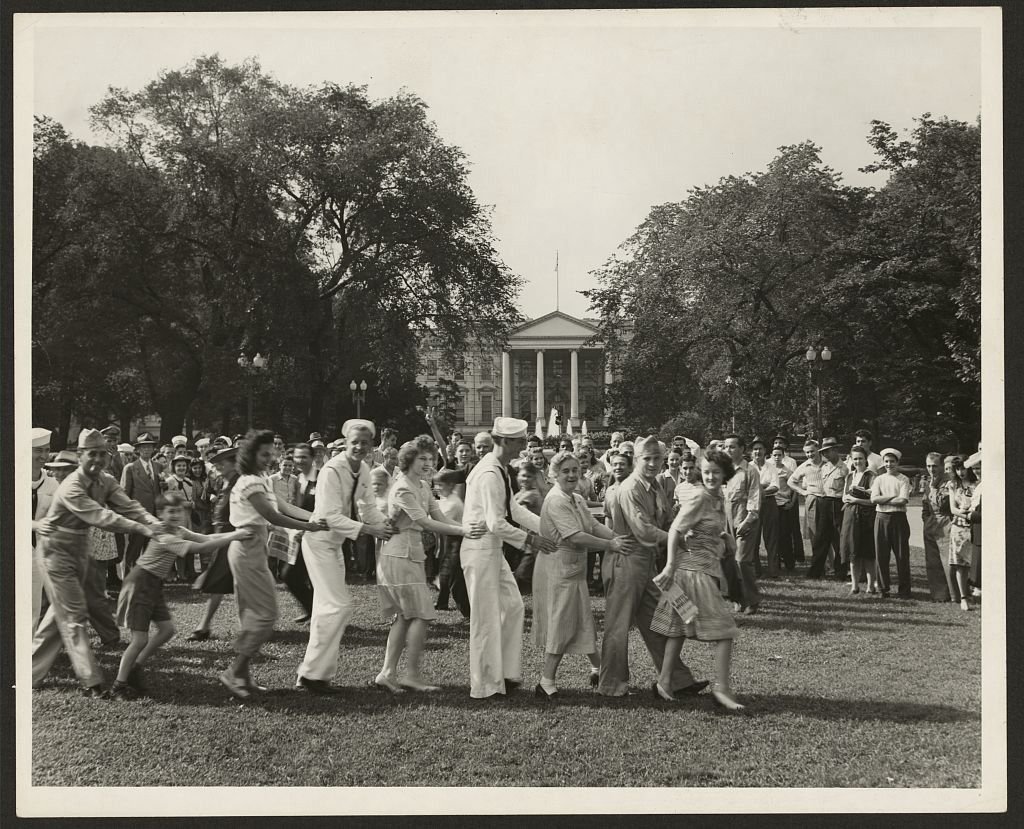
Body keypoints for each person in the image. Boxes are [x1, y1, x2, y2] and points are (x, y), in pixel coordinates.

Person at [32, 429, 163, 696]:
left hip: (80, 549)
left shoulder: (106, 480)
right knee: (75, 615)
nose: (98, 460)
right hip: (55, 551)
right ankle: (91, 681)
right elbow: (103, 517)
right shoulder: (72, 486)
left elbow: (129, 505)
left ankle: (27, 673)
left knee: (60, 615)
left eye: (103, 454)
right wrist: (145, 530)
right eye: (92, 454)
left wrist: (154, 522)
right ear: (80, 456)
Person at [218, 430, 327, 699]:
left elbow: (284, 508)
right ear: (250, 454)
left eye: (272, 454)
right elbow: (272, 516)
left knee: (257, 615)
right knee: (265, 616)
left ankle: (242, 677)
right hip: (246, 548)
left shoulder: (261, 480)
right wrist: (309, 526)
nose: (269, 458)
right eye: (264, 454)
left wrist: (319, 517)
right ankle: (235, 672)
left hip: (254, 548)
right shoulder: (249, 482)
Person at [111, 492, 251, 700]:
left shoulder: (178, 530)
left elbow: (206, 538)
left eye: (179, 510)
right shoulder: (163, 535)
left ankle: (136, 667)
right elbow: (201, 547)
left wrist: (234, 533)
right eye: (170, 511)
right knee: (139, 639)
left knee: (167, 630)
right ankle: (119, 685)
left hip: (154, 584)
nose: (176, 515)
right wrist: (234, 537)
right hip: (140, 583)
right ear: (160, 514)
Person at [598, 435, 707, 698]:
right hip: (625, 563)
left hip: (645, 564)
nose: (653, 463)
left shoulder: (654, 486)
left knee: (662, 620)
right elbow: (644, 531)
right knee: (618, 625)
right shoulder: (630, 488)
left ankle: (677, 680)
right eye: (647, 459)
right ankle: (611, 685)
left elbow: (668, 518)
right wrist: (677, 539)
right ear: (637, 460)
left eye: (657, 458)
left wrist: (690, 528)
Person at [374, 438, 484, 693]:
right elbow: (425, 522)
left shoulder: (423, 486)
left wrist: (464, 527)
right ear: (408, 460)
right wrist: (465, 531)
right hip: (398, 556)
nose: (428, 463)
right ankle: (410, 675)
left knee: (405, 617)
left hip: (411, 556)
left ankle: (387, 673)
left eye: (430, 458)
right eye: (422, 458)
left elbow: (440, 517)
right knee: (421, 615)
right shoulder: (402, 487)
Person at [460, 417, 556, 699]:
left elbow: (514, 510)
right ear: (505, 442)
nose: (525, 446)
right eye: (520, 441)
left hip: (492, 550)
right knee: (485, 618)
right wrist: (532, 540)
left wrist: (548, 528)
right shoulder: (490, 472)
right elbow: (496, 523)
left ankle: (506, 673)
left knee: (513, 607)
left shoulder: (500, 469)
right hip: (479, 550)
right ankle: (485, 685)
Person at [295, 420, 392, 694]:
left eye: (365, 442)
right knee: (338, 606)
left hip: (334, 544)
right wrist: (370, 530)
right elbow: (329, 516)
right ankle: (312, 675)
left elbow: (368, 507)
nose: (360, 447)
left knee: (326, 608)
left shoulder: (363, 469)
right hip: (318, 542)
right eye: (355, 442)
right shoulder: (331, 470)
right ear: (345, 443)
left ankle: (316, 676)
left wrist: (388, 526)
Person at [653, 449, 744, 710]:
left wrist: (725, 538)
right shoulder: (700, 497)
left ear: (725, 473)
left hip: (705, 569)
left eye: (715, 472)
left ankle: (664, 683)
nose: (711, 477)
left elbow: (711, 528)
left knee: (677, 631)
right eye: (706, 472)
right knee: (725, 631)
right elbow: (675, 530)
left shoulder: (718, 498)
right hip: (691, 574)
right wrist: (670, 566)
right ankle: (722, 690)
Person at [533, 452, 623, 698]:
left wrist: (616, 537)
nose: (572, 475)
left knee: (582, 621)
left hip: (574, 570)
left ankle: (599, 667)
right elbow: (576, 536)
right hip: (557, 570)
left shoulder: (576, 498)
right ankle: (546, 682)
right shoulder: (556, 501)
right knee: (562, 624)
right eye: (566, 471)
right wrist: (611, 546)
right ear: (554, 475)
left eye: (575, 470)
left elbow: (593, 526)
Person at [186, 446, 238, 641]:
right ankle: (204, 626)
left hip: (233, 538)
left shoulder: (239, 483)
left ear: (234, 464)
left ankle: (204, 626)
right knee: (224, 581)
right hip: (222, 536)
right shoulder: (223, 482)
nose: (218, 467)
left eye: (222, 463)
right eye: (216, 464)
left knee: (220, 581)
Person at [788, 439, 844, 580]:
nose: (809, 454)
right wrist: (803, 492)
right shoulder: (805, 465)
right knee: (817, 536)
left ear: (818, 450)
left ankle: (835, 568)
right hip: (813, 500)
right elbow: (791, 481)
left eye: (812, 451)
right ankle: (820, 569)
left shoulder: (828, 463)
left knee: (835, 537)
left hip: (831, 501)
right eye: (807, 452)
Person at [721, 435, 762, 613]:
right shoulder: (724, 470)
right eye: (726, 447)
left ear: (742, 449)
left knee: (742, 561)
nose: (728, 450)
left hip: (744, 519)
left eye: (732, 447)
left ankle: (752, 600)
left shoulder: (750, 471)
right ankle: (737, 598)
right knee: (728, 561)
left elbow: (755, 498)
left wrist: (748, 520)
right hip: (725, 520)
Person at [870, 448, 913, 599]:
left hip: (899, 519)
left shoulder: (903, 479)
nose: (889, 464)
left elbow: (902, 501)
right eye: (886, 461)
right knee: (881, 555)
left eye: (892, 461)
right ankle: (883, 588)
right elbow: (874, 499)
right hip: (881, 518)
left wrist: (884, 498)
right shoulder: (879, 479)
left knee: (902, 556)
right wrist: (893, 497)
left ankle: (904, 590)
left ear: (897, 462)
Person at [120, 432, 164, 573]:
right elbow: (124, 494)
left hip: (154, 516)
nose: (146, 450)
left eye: (149, 447)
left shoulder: (158, 466)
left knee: (151, 549)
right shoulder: (131, 468)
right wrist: (128, 516)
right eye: (143, 447)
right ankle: (128, 578)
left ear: (153, 449)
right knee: (134, 548)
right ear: (138, 450)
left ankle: (147, 579)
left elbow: (159, 490)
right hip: (138, 516)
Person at [31, 428, 60, 631]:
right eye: (37, 450)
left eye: (46, 450)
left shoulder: (51, 483)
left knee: (33, 604)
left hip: (38, 550)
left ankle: (25, 653)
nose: (43, 456)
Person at [839, 445, 878, 595]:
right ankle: (854, 586)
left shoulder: (871, 476)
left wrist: (855, 499)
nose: (858, 461)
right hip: (850, 516)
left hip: (867, 517)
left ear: (865, 459)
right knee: (853, 550)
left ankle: (870, 586)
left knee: (868, 552)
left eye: (860, 458)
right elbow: (844, 497)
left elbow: (874, 501)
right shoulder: (850, 476)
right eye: (855, 459)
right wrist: (850, 499)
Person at [433, 468, 470, 617]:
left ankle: (468, 612)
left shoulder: (453, 503)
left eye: (441, 485)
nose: (438, 488)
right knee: (445, 572)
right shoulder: (446, 499)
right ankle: (442, 602)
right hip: (449, 539)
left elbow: (437, 521)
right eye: (436, 485)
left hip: (457, 541)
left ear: (451, 485)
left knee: (455, 578)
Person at [921, 452, 954, 602]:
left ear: (941, 466)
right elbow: (925, 504)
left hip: (946, 522)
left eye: (934, 466)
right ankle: (939, 594)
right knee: (932, 560)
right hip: (930, 524)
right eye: (928, 466)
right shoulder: (928, 482)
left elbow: (946, 504)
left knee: (948, 560)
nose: (931, 469)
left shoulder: (949, 483)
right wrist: (926, 519)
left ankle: (954, 594)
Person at [946, 455, 976, 611]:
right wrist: (965, 514)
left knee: (974, 562)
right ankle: (963, 597)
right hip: (959, 527)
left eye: (963, 468)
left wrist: (973, 514)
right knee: (960, 564)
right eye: (958, 469)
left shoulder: (977, 484)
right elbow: (953, 509)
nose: (961, 472)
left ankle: (974, 591)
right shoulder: (952, 485)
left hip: (975, 526)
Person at [165, 455, 198, 582]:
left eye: (184, 465)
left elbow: (192, 497)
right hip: (176, 516)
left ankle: (190, 571)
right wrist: (183, 503)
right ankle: (179, 573)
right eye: (179, 465)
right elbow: (167, 499)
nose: (181, 468)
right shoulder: (170, 481)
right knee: (178, 544)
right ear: (174, 467)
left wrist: (192, 503)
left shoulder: (189, 481)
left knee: (189, 542)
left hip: (188, 516)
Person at [750, 437, 779, 578]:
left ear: (765, 451)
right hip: (752, 506)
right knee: (753, 539)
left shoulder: (771, 466)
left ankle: (773, 571)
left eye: (760, 449)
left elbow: (775, 487)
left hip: (769, 504)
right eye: (755, 449)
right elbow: (746, 488)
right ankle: (756, 570)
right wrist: (763, 487)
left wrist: (758, 489)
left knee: (771, 538)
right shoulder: (748, 467)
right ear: (751, 452)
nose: (758, 452)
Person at [965, 448, 982, 596]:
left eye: (980, 468)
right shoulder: (978, 484)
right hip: (976, 527)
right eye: (975, 468)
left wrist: (970, 515)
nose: (977, 471)